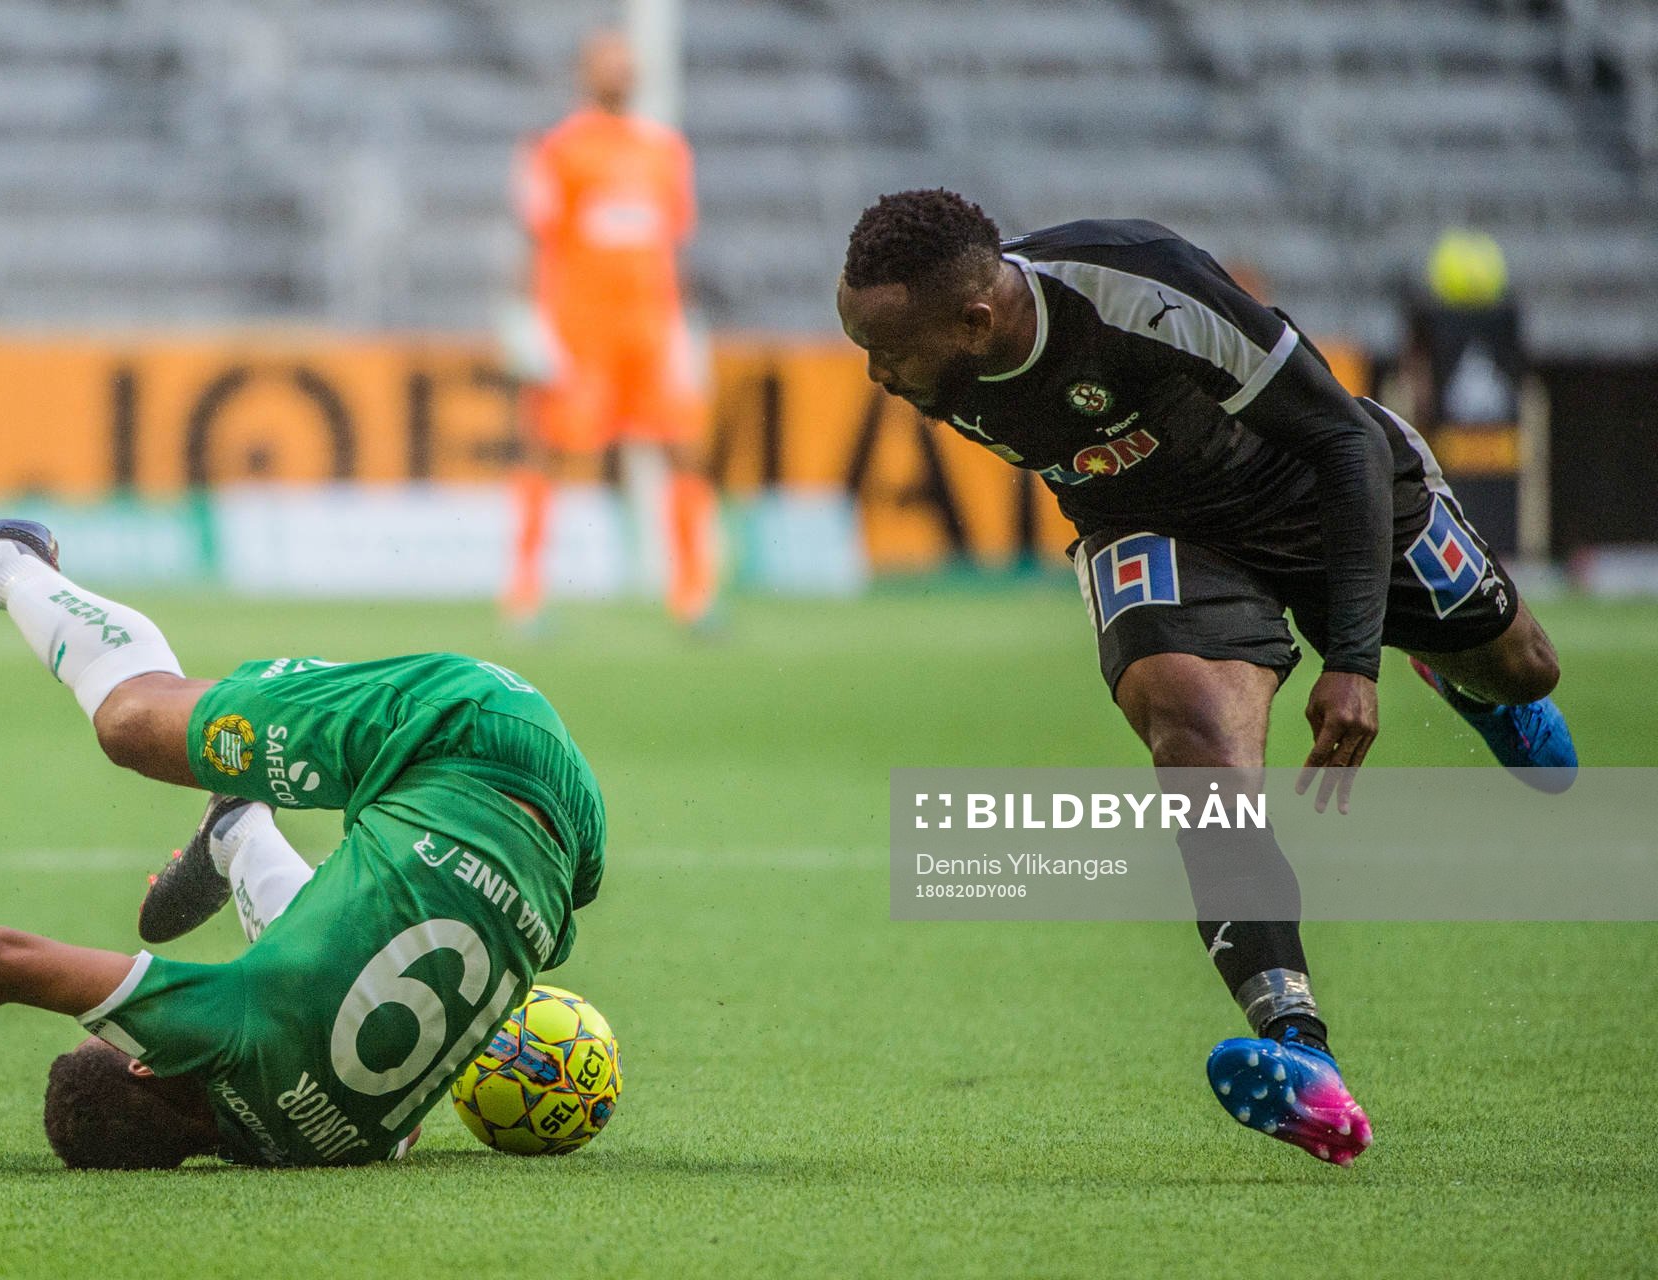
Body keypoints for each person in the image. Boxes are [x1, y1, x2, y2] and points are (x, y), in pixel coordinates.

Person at [834, 190, 1579, 1167]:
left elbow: (1340, 440)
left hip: (1314, 479)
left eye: (888, 351)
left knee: (1525, 665)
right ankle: (1299, 1049)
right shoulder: (950, 347)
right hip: (1157, 529)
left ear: (977, 321)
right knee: (1193, 739)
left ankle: (1460, 676)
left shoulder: (1142, 293)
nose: (877, 375)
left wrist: (1355, 661)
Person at [0, 511, 606, 1169]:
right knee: (132, 722)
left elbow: (363, 1076)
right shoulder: (210, 1035)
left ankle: (236, 830)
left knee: (303, 976)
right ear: (143, 1062)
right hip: (457, 730)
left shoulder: (347, 1148)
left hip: (574, 847)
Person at [504, 29, 718, 628]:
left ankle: (693, 594)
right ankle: (524, 594)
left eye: (627, 65)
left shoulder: (666, 152)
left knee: (683, 446)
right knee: (547, 448)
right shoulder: (558, 150)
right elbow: (534, 238)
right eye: (608, 64)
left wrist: (688, 326)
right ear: (585, 74)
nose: (619, 74)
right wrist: (526, 321)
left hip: (651, 329)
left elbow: (674, 245)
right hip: (579, 332)